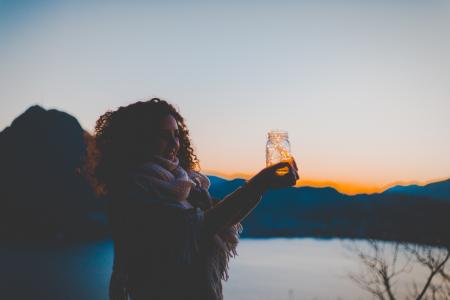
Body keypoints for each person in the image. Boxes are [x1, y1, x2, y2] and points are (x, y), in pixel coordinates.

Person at [85, 98, 299, 300]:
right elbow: (200, 227)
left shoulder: (187, 184)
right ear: (141, 139)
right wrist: (258, 184)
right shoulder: (133, 190)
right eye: (163, 135)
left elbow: (222, 220)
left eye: (176, 135)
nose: (174, 144)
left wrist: (262, 187)